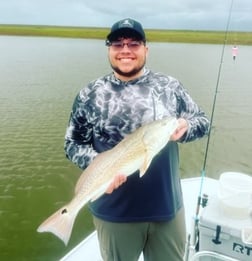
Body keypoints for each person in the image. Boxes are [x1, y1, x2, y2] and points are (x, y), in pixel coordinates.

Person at [64, 18, 210, 261]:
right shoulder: (90, 94)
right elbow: (72, 144)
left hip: (167, 209)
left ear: (146, 49)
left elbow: (202, 121)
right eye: (117, 44)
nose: (125, 50)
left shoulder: (169, 86)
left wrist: (186, 126)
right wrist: (100, 165)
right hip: (113, 213)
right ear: (109, 49)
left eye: (134, 43)